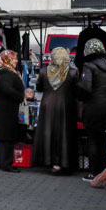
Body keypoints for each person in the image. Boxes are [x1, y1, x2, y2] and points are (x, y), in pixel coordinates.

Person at [77, 39, 106, 182]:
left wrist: (81, 97)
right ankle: (103, 172)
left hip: (93, 108)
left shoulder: (89, 66)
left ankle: (94, 173)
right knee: (103, 140)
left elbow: (86, 88)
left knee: (93, 141)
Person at [33, 47, 79, 175]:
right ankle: (64, 163)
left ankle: (51, 162)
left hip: (47, 105)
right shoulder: (73, 72)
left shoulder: (43, 71)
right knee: (65, 133)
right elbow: (77, 90)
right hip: (66, 106)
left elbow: (39, 87)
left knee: (49, 133)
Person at [0, 49, 25, 173]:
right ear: (8, 59)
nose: (16, 61)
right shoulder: (5, 73)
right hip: (6, 111)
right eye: (14, 58)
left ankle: (3, 163)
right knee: (7, 138)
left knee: (4, 138)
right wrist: (20, 96)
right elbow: (7, 89)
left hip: (6, 109)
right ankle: (7, 164)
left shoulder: (5, 71)